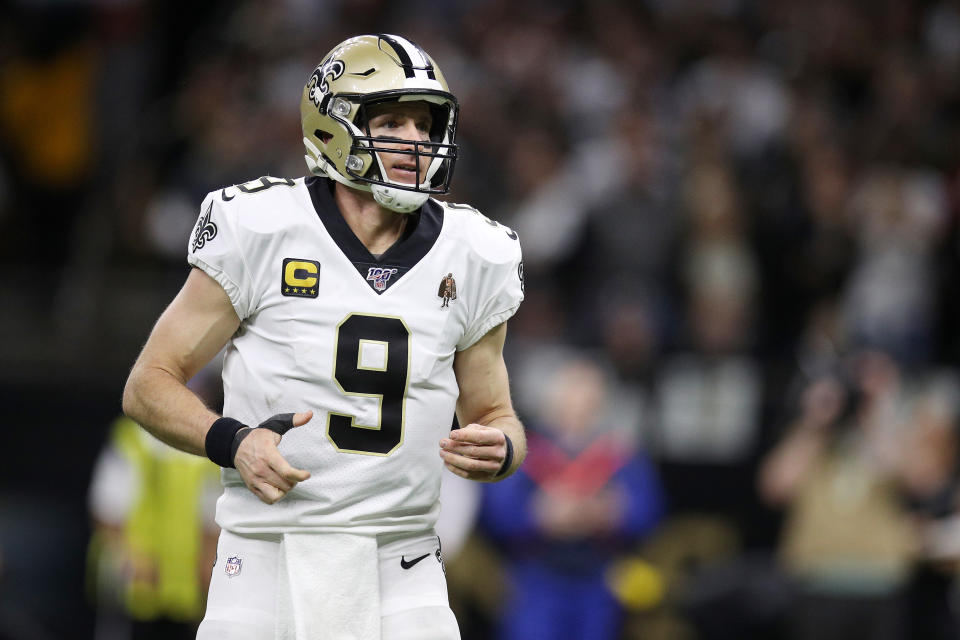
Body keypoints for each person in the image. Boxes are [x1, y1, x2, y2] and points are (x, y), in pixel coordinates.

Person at [121, 34, 526, 640]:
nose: (416, 140)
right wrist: (232, 441)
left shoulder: (474, 253)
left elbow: (498, 414)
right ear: (334, 128)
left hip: (404, 562)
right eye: (392, 121)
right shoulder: (264, 228)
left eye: (425, 123)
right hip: (265, 552)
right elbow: (147, 386)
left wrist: (504, 450)